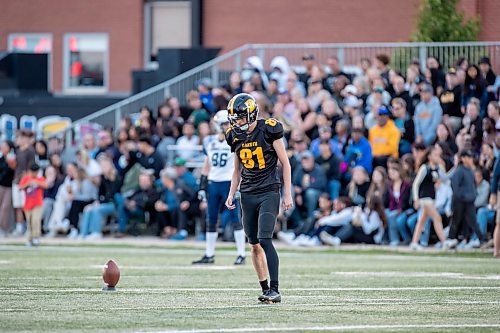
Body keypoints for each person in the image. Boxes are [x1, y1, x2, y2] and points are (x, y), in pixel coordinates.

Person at [225, 93, 293, 303]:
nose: (237, 122)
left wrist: (287, 193)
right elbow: (237, 170)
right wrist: (231, 193)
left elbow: (286, 164)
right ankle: (264, 288)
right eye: (234, 118)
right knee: (253, 244)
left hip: (269, 191)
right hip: (247, 193)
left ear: (252, 114)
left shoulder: (269, 129)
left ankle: (275, 289)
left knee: (265, 239)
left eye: (240, 117)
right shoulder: (234, 136)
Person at [192, 110, 246, 265]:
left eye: (227, 123)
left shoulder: (236, 140)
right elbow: (206, 164)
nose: (225, 126)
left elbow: (240, 165)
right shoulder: (209, 141)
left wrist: (239, 185)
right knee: (211, 218)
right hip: (213, 182)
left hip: (229, 182)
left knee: (236, 218)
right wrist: (202, 185)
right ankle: (209, 254)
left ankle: (241, 254)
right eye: (223, 123)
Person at [410, 145, 448, 250]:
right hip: (424, 198)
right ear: (429, 157)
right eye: (435, 155)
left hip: (432, 198)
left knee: (422, 221)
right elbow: (416, 184)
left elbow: (445, 179)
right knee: (437, 218)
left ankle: (414, 242)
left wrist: (443, 167)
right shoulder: (424, 168)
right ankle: (444, 241)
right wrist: (416, 199)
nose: (438, 157)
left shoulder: (437, 168)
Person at [445, 150, 485, 249]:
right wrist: (462, 196)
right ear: (462, 158)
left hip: (469, 201)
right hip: (459, 201)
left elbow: (473, 185)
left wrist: (473, 195)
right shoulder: (459, 170)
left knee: (473, 221)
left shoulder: (470, 171)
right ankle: (450, 240)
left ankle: (482, 240)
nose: (471, 159)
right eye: (468, 157)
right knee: (455, 221)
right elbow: (455, 186)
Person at [18, 164, 47, 246]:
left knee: (35, 220)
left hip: (38, 203)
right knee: (29, 222)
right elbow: (20, 187)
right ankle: (29, 239)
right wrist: (28, 183)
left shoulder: (40, 178)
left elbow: (46, 185)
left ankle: (36, 237)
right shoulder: (26, 178)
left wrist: (36, 182)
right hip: (27, 205)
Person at [0, 141, 16, 237]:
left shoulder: (12, 158)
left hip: (9, 186)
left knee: (5, 208)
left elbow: (13, 169)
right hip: (0, 185)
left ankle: (3, 228)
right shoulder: (1, 159)